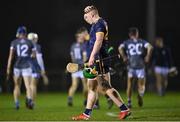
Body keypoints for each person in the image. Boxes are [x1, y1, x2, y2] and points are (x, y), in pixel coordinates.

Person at [72, 5, 130, 120]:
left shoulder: (100, 24)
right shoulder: (95, 24)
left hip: (99, 60)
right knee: (92, 87)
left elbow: (98, 41)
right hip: (95, 60)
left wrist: (92, 56)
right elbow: (93, 40)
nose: (85, 18)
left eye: (87, 16)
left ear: (93, 14)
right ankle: (86, 114)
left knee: (105, 87)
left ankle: (124, 109)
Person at [119, 27, 153, 108]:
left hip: (131, 65)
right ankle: (140, 94)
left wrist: (124, 56)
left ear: (130, 34)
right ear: (137, 34)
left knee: (130, 84)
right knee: (141, 84)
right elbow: (150, 47)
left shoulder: (127, 42)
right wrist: (148, 56)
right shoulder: (141, 41)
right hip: (140, 65)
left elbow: (120, 48)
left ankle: (129, 102)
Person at [6, 26, 36, 109]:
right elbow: (33, 55)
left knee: (17, 85)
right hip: (26, 66)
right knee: (28, 85)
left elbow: (11, 56)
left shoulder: (14, 42)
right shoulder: (30, 42)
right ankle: (29, 100)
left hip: (17, 66)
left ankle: (16, 103)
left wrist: (8, 68)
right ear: (25, 33)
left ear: (18, 33)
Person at [67, 28, 88, 107]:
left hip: (75, 67)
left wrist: (73, 66)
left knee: (74, 85)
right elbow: (85, 58)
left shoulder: (72, 46)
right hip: (82, 67)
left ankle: (70, 98)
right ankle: (86, 100)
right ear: (79, 37)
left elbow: (72, 58)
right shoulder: (84, 46)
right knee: (85, 85)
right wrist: (85, 65)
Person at [27, 32, 49, 107]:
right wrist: (42, 70)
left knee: (28, 85)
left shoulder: (26, 45)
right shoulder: (37, 46)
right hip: (34, 67)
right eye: (35, 38)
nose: (36, 40)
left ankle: (29, 99)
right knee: (33, 85)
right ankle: (32, 101)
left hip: (26, 67)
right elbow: (39, 59)